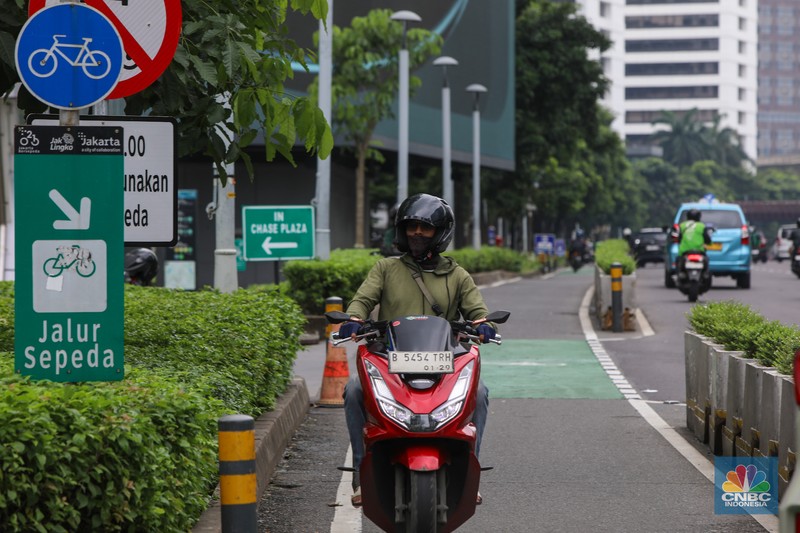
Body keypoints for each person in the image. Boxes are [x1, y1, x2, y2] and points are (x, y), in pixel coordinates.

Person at [338, 193, 496, 507]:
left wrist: (483, 325)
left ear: (440, 233)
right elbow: (363, 300)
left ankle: (468, 476)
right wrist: (354, 319)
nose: (417, 233)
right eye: (412, 226)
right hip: (389, 356)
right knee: (354, 390)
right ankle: (360, 474)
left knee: (480, 393)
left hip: (444, 359)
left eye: (425, 228)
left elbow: (478, 311)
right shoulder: (385, 269)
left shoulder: (457, 275)